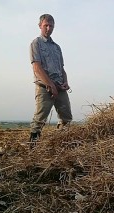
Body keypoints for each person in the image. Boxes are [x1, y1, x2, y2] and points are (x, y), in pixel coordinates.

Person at [29, 14, 72, 147]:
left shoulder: (57, 47)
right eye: (45, 25)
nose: (48, 28)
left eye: (51, 26)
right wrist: (50, 85)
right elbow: (37, 67)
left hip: (60, 87)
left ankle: (60, 145)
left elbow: (62, 69)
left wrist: (65, 82)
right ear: (40, 26)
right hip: (44, 87)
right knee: (39, 119)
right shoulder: (36, 43)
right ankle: (32, 149)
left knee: (66, 118)